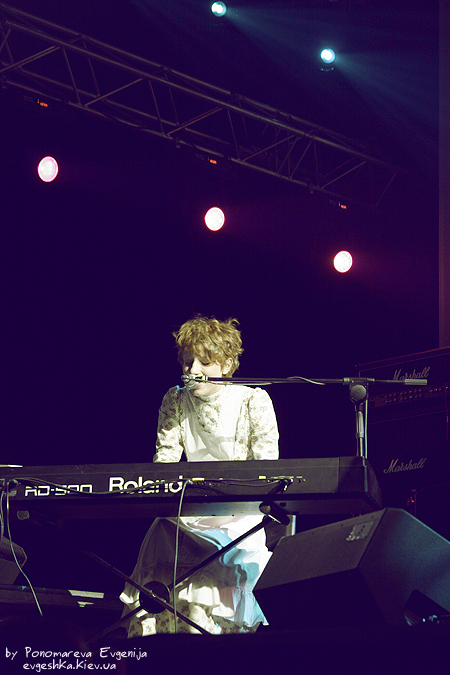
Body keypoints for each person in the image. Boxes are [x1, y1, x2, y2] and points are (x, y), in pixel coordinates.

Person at [120, 315, 279, 636]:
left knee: (221, 548)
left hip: (240, 512)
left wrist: (230, 510)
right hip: (189, 510)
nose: (192, 370)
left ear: (227, 364)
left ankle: (213, 636)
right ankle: (164, 635)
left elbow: (266, 470)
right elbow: (165, 462)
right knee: (161, 528)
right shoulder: (175, 399)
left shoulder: (253, 400)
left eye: (204, 362)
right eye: (188, 361)